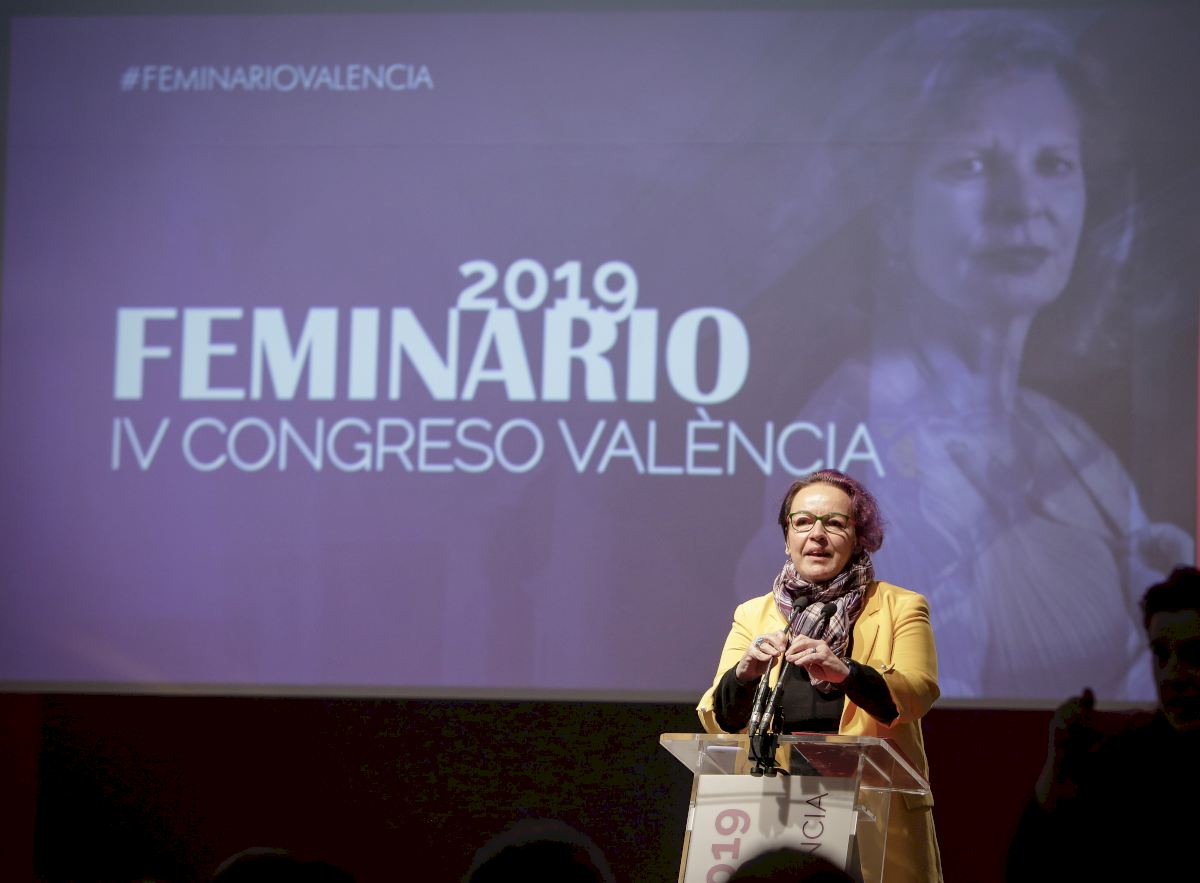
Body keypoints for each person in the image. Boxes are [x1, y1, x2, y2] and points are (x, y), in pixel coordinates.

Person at [735, 10, 1192, 702]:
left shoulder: (1063, 435)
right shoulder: (851, 449)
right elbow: (902, 710)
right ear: (892, 206)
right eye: (971, 164)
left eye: (1054, 164)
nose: (1023, 204)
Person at [699, 469, 942, 883]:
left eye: (834, 523)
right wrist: (745, 673)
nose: (817, 534)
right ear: (787, 538)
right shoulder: (754, 614)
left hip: (873, 821)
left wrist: (846, 672)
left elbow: (918, 692)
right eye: (802, 522)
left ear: (858, 536)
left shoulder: (901, 606)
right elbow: (718, 717)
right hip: (773, 817)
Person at [1005, 565, 1200, 879]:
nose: (1173, 675)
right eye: (1161, 654)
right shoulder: (1124, 760)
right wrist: (1055, 776)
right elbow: (1027, 871)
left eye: (1194, 654)